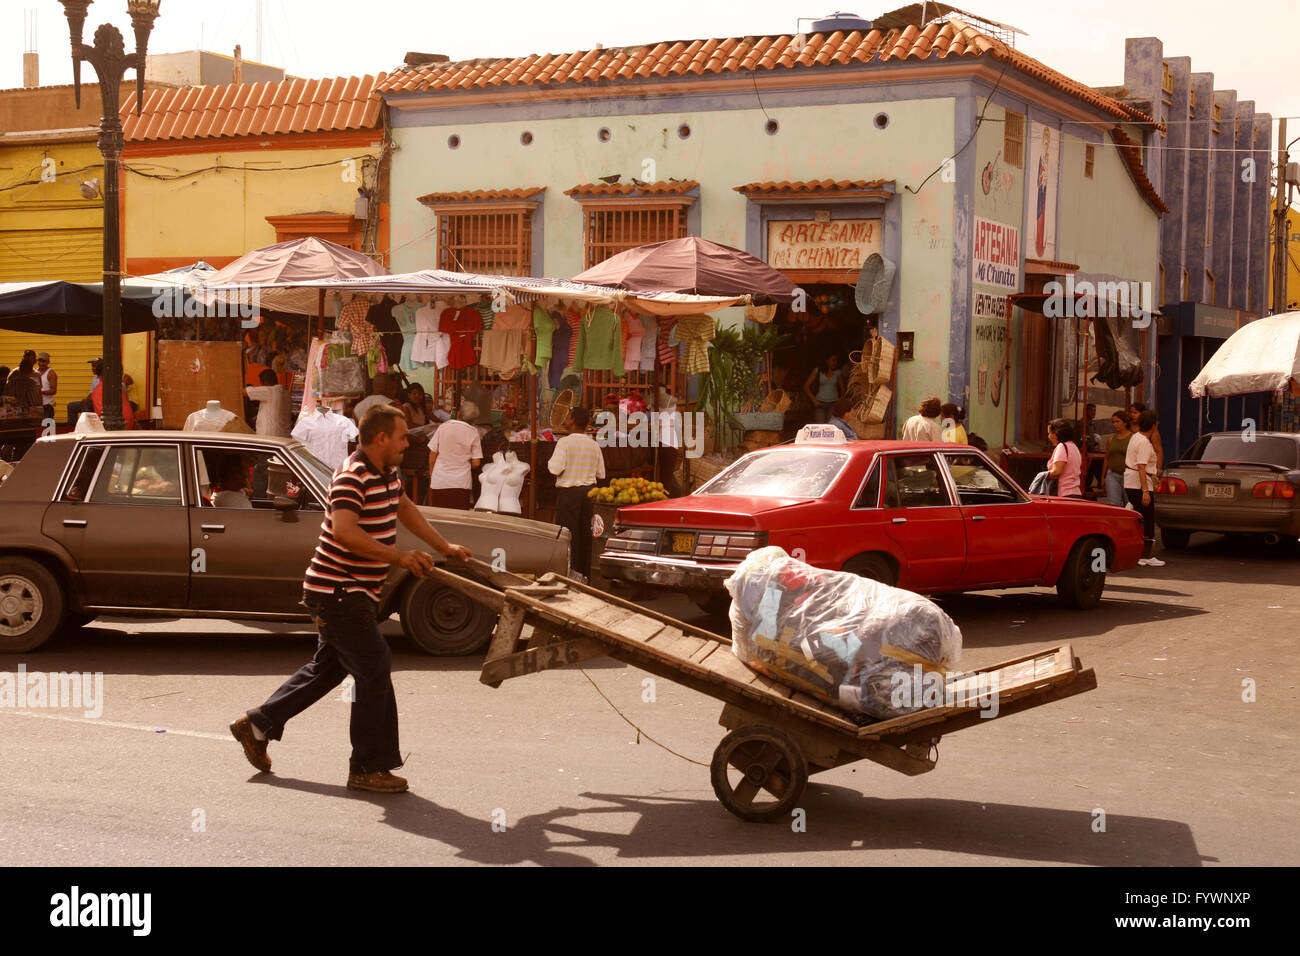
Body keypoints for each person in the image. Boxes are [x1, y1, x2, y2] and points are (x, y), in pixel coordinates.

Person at [230, 405, 473, 793]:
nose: (407, 443)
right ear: (381, 439)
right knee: (374, 667)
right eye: (402, 437)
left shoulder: (386, 473)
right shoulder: (352, 475)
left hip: (351, 590)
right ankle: (367, 767)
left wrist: (443, 546)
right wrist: (401, 558)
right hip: (337, 591)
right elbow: (345, 532)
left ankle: (257, 723)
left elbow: (404, 508)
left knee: (328, 669)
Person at [548, 406, 605, 580]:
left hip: (570, 494)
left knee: (568, 536)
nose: (565, 420)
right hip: (589, 495)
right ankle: (585, 576)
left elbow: (554, 468)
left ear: (572, 420)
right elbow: (601, 474)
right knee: (586, 537)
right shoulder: (594, 444)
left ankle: (570, 575)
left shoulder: (564, 443)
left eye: (567, 417)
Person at [1125, 409, 1164, 567]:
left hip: (1132, 482)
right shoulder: (1144, 443)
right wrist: (1145, 491)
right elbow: (1141, 466)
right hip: (1139, 484)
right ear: (1153, 426)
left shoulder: (1136, 437)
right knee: (1147, 520)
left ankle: (1139, 552)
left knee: (1140, 519)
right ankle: (1146, 555)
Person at [426, 402, 483, 509]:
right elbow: (476, 463)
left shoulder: (443, 427)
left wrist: (432, 475)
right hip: (461, 483)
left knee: (438, 517)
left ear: (458, 415)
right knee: (459, 519)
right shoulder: (474, 432)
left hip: (440, 481)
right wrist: (462, 465)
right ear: (474, 420)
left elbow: (432, 455)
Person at [245, 368, 292, 437]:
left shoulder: (270, 391)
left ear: (265, 382)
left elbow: (245, 392)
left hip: (270, 436)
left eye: (261, 383)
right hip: (284, 435)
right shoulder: (286, 394)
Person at [1047, 418, 1083, 498]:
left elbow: (1057, 471)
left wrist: (1042, 476)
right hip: (1075, 492)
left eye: (1050, 433)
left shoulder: (1062, 446)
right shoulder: (1074, 446)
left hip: (1064, 493)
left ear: (1057, 434)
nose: (1049, 437)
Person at [1103, 411, 1132, 507]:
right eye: (1113, 422)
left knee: (1129, 504)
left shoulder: (1133, 438)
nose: (1115, 424)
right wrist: (1103, 476)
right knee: (1113, 504)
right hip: (1112, 474)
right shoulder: (1111, 439)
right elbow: (1107, 458)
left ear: (1125, 423)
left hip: (1128, 475)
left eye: (1117, 422)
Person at [804, 354, 843, 424]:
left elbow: (842, 388)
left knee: (831, 426)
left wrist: (840, 400)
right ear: (827, 360)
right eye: (833, 360)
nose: (835, 362)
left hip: (833, 404)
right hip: (819, 403)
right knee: (820, 425)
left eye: (836, 360)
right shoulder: (817, 370)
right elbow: (806, 386)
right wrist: (814, 400)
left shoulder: (838, 372)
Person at [1129, 402, 1164, 472]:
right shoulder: (1128, 426)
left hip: (1145, 467)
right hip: (1130, 465)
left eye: (1135, 413)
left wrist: (1158, 468)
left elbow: (1158, 450)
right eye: (1131, 413)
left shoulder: (1151, 430)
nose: (1132, 415)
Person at [35, 352, 57, 420]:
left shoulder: (51, 373)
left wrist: (41, 392)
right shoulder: (34, 372)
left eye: (43, 361)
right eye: (40, 361)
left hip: (47, 405)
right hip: (36, 405)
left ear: (48, 362)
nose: (41, 363)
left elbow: (53, 391)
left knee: (45, 428)